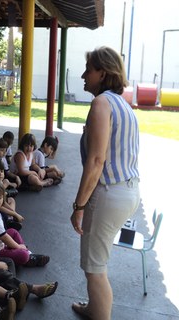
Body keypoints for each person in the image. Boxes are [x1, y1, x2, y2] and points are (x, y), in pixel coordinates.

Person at [70, 46, 140, 320]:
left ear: (103, 72)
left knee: (94, 267)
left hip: (109, 194)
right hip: (128, 190)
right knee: (98, 261)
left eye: (89, 70)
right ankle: (94, 308)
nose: (83, 75)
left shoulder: (101, 104)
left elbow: (96, 162)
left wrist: (79, 205)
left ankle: (99, 315)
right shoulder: (124, 106)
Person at [0, 179, 48, 268]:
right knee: (23, 256)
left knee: (13, 231)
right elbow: (4, 237)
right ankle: (28, 256)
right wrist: (19, 247)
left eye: (0, 198)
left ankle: (27, 253)